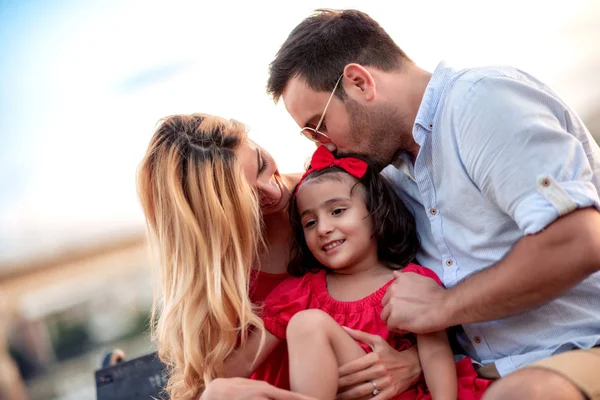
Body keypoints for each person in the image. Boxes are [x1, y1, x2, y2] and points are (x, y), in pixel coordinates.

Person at [266, 8, 600, 400]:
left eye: (318, 126)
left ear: (359, 83)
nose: (322, 145)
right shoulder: (386, 174)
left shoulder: (481, 103)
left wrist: (444, 307)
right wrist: (416, 361)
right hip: (473, 375)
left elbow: (580, 241)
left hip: (578, 348)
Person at [136, 113, 422, 400]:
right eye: (248, 197)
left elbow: (427, 289)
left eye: (261, 164)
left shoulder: (341, 192)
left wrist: (415, 363)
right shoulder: (219, 274)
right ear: (214, 213)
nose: (272, 192)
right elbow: (208, 385)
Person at [224, 145, 490, 400]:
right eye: (310, 222)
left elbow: (435, 355)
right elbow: (244, 361)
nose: (324, 228)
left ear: (375, 212)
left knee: (308, 323)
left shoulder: (409, 285)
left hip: (402, 395)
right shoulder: (298, 293)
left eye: (338, 211)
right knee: (306, 324)